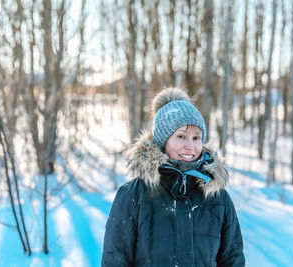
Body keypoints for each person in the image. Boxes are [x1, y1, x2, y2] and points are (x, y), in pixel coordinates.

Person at [102, 87, 245, 266]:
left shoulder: (218, 197)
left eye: (196, 137)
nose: (190, 146)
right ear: (163, 141)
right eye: (181, 136)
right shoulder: (133, 195)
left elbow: (233, 258)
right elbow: (115, 258)